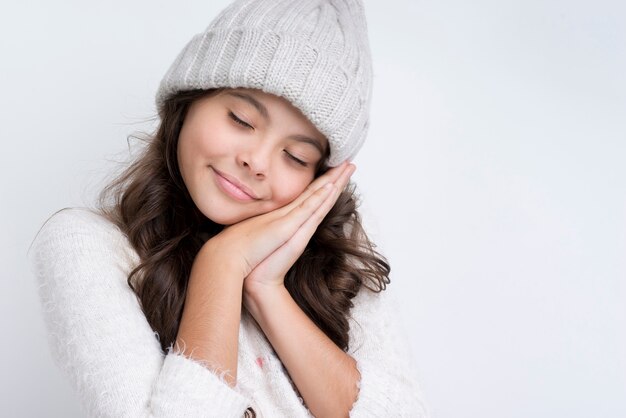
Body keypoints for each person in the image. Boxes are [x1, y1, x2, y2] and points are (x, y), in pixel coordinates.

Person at [28, 0, 429, 416]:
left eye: (294, 155)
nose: (256, 162)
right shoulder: (85, 246)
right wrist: (221, 264)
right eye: (241, 119)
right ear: (187, 103)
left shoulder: (343, 248)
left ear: (320, 177)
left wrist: (266, 290)